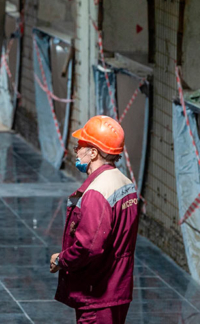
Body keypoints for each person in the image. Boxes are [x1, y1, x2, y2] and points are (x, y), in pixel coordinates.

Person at [49, 115, 140, 324]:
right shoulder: (125, 183)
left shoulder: (97, 192)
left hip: (97, 294)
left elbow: (88, 247)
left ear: (93, 152)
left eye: (81, 145)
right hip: (118, 288)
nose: (76, 150)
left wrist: (61, 260)